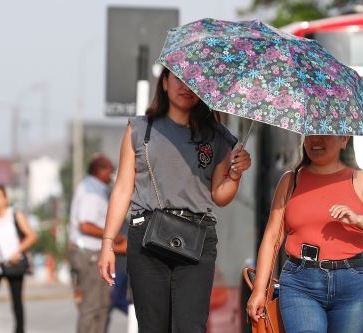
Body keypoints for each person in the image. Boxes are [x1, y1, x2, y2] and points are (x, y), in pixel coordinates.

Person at [98, 67, 251, 332]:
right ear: (165, 83)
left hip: (197, 239)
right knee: (152, 326)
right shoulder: (139, 129)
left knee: (190, 327)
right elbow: (123, 188)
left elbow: (219, 196)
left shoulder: (218, 136)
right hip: (147, 237)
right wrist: (108, 242)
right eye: (179, 78)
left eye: (194, 81)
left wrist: (235, 175)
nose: (186, 87)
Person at [247, 135, 363, 333]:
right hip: (300, 284)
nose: (316, 140)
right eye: (311, 133)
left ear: (344, 139)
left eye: (325, 133)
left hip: (353, 285)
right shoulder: (290, 181)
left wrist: (359, 219)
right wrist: (259, 290)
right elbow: (272, 238)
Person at [69, 154, 126, 333]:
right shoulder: (90, 191)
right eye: (110, 169)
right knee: (92, 308)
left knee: (101, 307)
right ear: (99, 169)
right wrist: (114, 237)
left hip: (93, 254)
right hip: (89, 254)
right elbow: (85, 225)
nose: (113, 173)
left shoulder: (97, 188)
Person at [0, 184, 38, 333]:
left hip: (14, 263)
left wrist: (17, 252)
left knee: (16, 302)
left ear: (6, 199)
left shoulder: (14, 214)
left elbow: (32, 236)